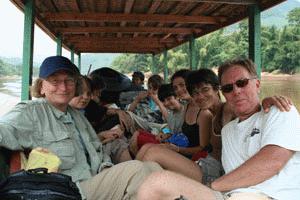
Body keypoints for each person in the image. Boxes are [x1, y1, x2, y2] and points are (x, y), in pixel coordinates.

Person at [0, 56, 162, 200]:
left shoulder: (76, 116)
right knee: (137, 171)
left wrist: (106, 168)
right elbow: (4, 129)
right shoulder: (30, 112)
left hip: (94, 181)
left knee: (152, 168)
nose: (63, 87)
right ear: (41, 86)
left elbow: (98, 150)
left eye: (69, 81)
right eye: (54, 81)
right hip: (69, 190)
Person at [137, 58, 300, 200]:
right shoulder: (226, 128)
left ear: (257, 84)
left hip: (233, 183)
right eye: (228, 88)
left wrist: (267, 101)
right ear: (224, 92)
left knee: (152, 156)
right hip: (226, 186)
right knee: (152, 177)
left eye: (242, 83)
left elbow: (272, 160)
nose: (236, 91)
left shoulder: (277, 111)